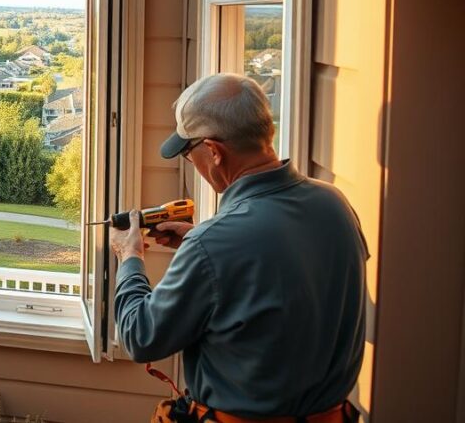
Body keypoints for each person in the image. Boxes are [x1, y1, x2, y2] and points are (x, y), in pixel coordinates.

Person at [111, 73, 367, 423]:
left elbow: (141, 337)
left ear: (214, 152)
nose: (192, 164)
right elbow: (293, 272)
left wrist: (130, 257)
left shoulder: (214, 243)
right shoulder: (334, 204)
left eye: (189, 153)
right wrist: (198, 244)